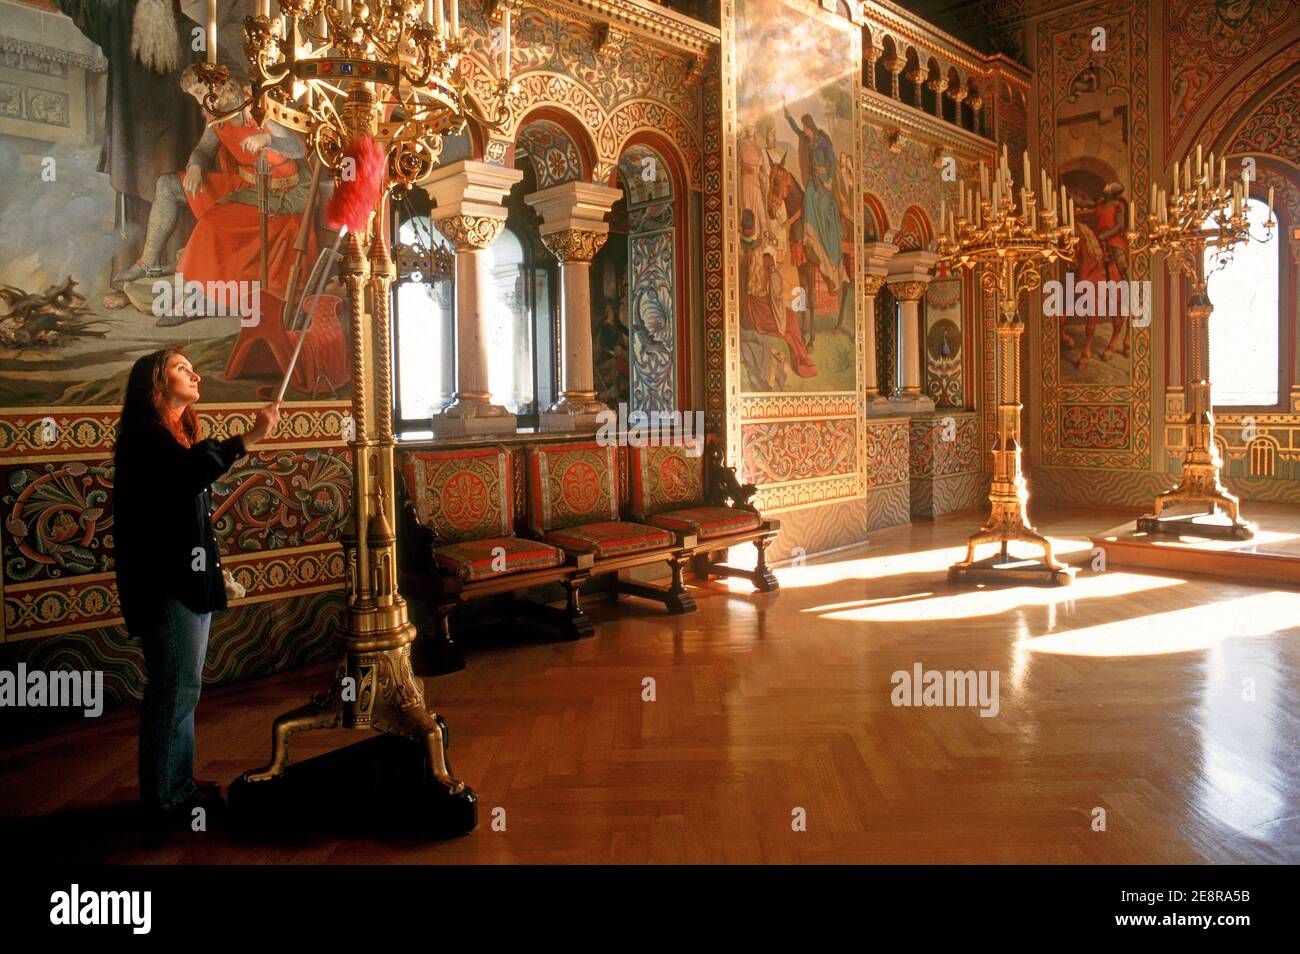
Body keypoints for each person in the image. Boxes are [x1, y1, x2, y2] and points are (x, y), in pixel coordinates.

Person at [113, 348, 280, 824]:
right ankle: (166, 800)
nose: (195, 372)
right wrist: (246, 438)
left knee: (184, 688)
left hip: (184, 581)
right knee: (175, 689)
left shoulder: (177, 435)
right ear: (155, 384)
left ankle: (177, 784)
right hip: (166, 587)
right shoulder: (145, 437)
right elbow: (186, 477)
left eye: (192, 365)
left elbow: (185, 516)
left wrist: (210, 569)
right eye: (181, 368)